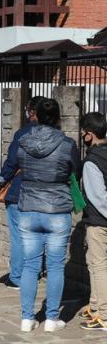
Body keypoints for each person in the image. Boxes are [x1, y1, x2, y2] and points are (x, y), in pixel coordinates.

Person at [16, 98, 79, 332]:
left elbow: (17, 165)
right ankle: (52, 319)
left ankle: (27, 318)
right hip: (57, 209)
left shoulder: (23, 141)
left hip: (29, 207)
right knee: (55, 266)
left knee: (30, 265)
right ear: (59, 118)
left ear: (36, 116)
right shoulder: (67, 144)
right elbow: (76, 170)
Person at [0, 96, 45, 289]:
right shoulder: (58, 137)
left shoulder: (23, 134)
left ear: (32, 112)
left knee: (19, 235)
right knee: (37, 235)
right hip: (45, 193)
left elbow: (12, 163)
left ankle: (17, 276)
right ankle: (35, 272)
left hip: (21, 190)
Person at [79, 112, 107, 331]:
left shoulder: (92, 161)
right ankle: (96, 306)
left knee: (99, 267)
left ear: (89, 135)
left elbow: (98, 197)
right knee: (95, 264)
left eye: (83, 132)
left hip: (99, 221)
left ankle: (104, 315)